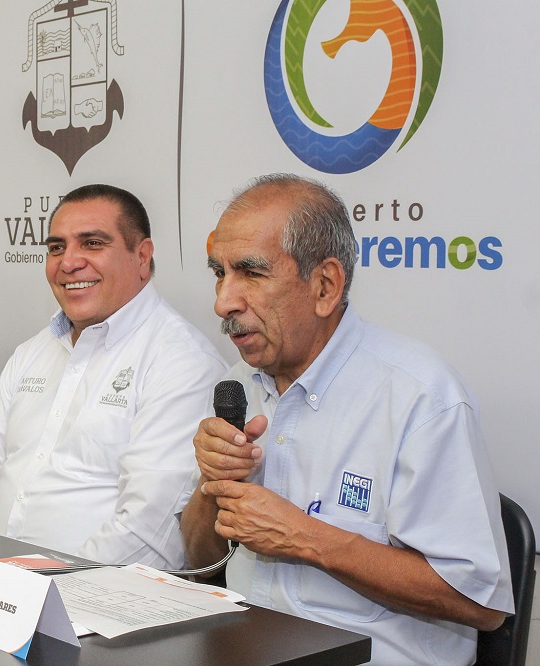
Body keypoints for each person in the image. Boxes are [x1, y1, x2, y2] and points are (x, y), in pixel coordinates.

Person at [180, 173, 513, 664]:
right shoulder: (238, 383)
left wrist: (304, 537)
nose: (223, 301)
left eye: (251, 273)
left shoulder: (420, 396)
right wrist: (213, 483)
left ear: (325, 286)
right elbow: (200, 559)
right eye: (219, 273)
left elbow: (480, 603)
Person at [0, 184, 228, 568]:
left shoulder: (182, 362)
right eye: (56, 247)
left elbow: (147, 533)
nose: (68, 262)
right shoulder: (31, 353)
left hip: (95, 599)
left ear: (142, 256)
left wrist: (31, 590)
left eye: (92, 244)